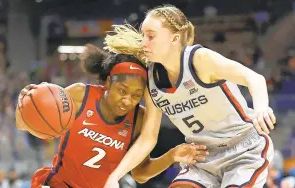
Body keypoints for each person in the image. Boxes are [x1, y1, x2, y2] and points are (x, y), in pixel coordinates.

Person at [103, 4, 276, 188]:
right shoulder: (152, 81)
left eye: (151, 36)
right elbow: (148, 138)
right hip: (201, 156)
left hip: (243, 150)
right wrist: (115, 177)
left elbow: (253, 78)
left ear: (174, 38)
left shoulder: (199, 59)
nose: (144, 42)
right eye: (143, 36)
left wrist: (261, 108)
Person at [15, 44, 207, 188]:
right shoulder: (80, 95)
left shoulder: (138, 119)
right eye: (122, 91)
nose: (127, 101)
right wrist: (26, 106)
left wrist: (172, 156)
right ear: (108, 82)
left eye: (135, 96)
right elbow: (24, 125)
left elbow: (140, 174)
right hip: (58, 183)